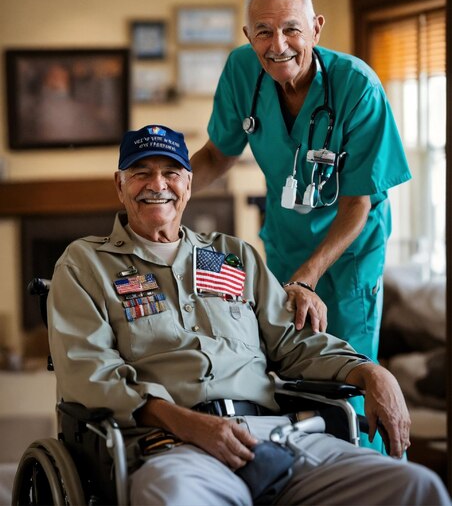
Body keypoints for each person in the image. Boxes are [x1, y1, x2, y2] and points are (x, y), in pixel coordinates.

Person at [47, 124, 449, 506]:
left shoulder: (231, 255)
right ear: (120, 185)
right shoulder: (86, 264)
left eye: (171, 172)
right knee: (173, 498)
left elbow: (293, 343)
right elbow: (90, 372)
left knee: (414, 487)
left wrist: (371, 373)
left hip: (277, 437)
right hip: (173, 445)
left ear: (188, 184)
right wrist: (187, 424)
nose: (157, 184)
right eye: (141, 173)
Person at [191, 0, 411, 365]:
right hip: (286, 240)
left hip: (350, 250)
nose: (278, 45)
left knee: (347, 368)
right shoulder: (242, 71)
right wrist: (168, 191)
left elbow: (357, 202)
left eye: (291, 28)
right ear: (248, 35)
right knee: (288, 360)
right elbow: (216, 155)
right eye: (263, 32)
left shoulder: (358, 88)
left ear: (316, 28)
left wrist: (306, 278)